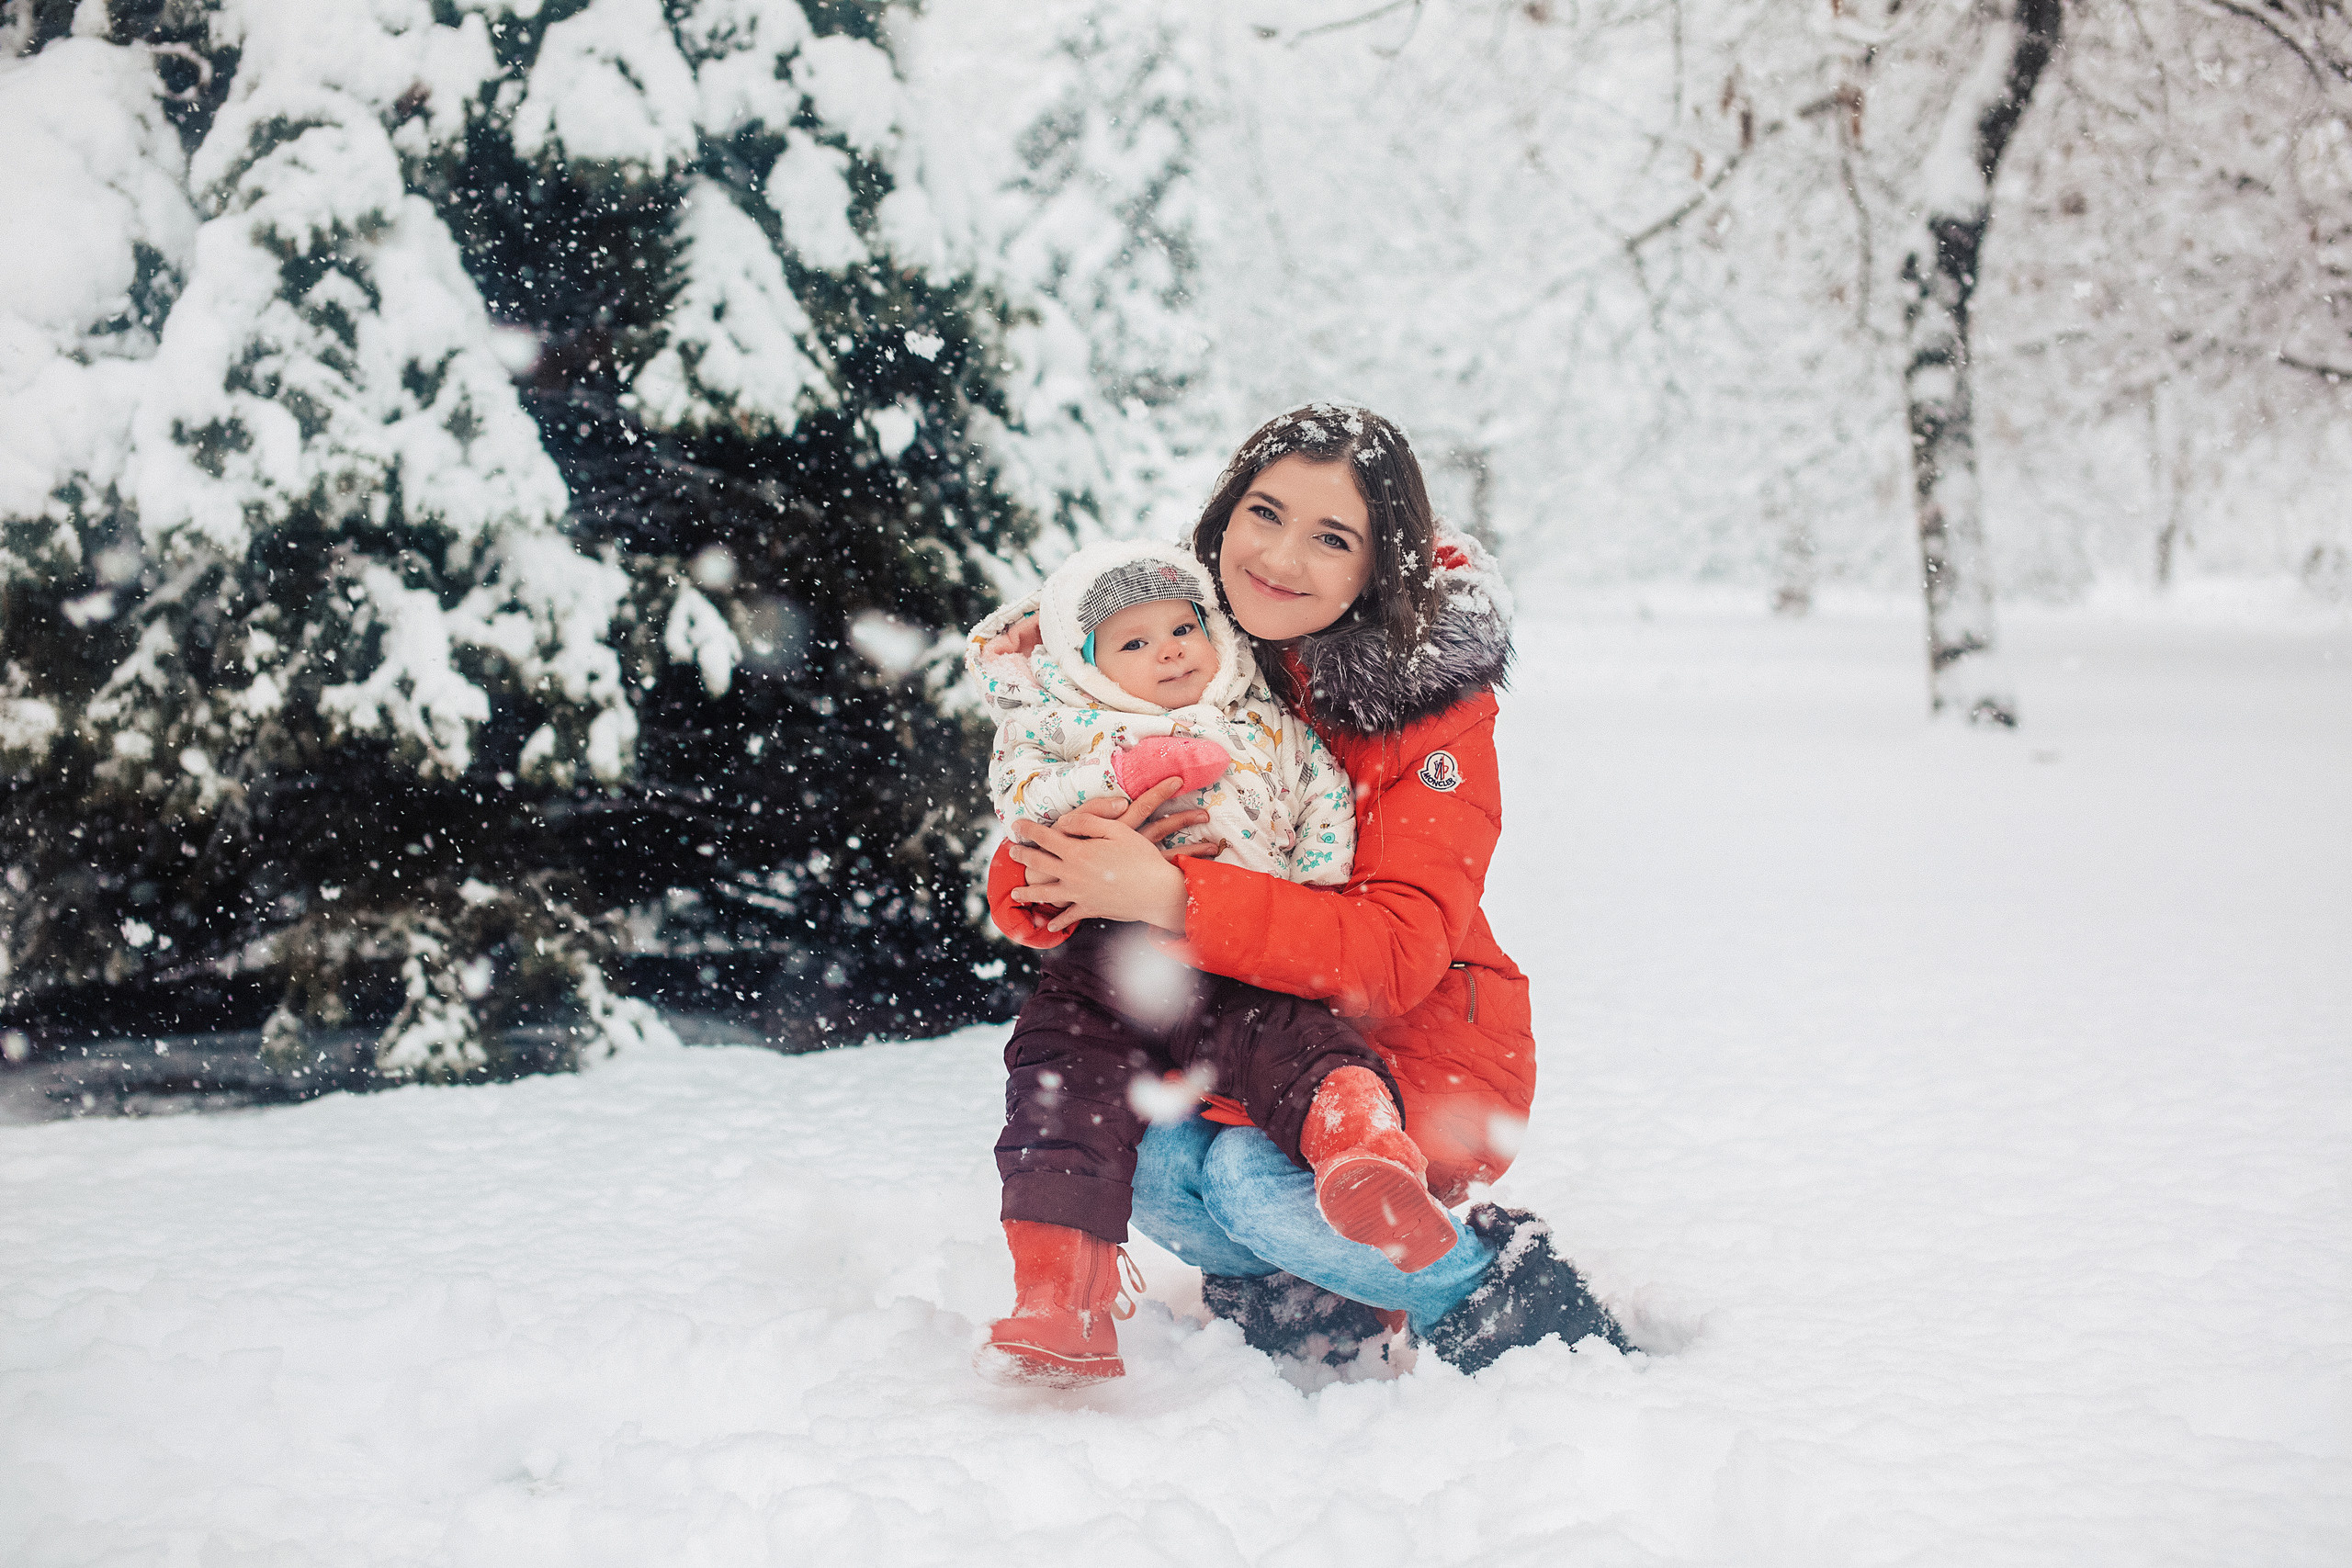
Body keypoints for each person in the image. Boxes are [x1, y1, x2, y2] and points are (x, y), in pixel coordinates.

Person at [988, 404, 1628, 1375]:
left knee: (1248, 1180)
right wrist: (1078, 863)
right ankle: (1308, 1285)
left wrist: (1169, 894)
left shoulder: (1428, 710)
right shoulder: (1172, 639)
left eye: (1330, 538)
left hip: (1410, 1041)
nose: (1279, 558)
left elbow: (1394, 954)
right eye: (1264, 513)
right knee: (1150, 1158)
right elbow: (1042, 822)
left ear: (1379, 567)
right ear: (1222, 515)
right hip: (1222, 1019)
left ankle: (1495, 1289)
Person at [967, 538, 1458, 1386]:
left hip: (1234, 952)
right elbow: (1024, 805)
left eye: (1183, 627)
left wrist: (1308, 876)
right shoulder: (1059, 724)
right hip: (1102, 964)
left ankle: (1365, 1156)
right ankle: (1058, 1296)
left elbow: (1321, 794)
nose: (1168, 650)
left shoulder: (1260, 716)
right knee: (1057, 1090)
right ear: (1086, 668)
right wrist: (1115, 790)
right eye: (1133, 641)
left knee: (1303, 1046)